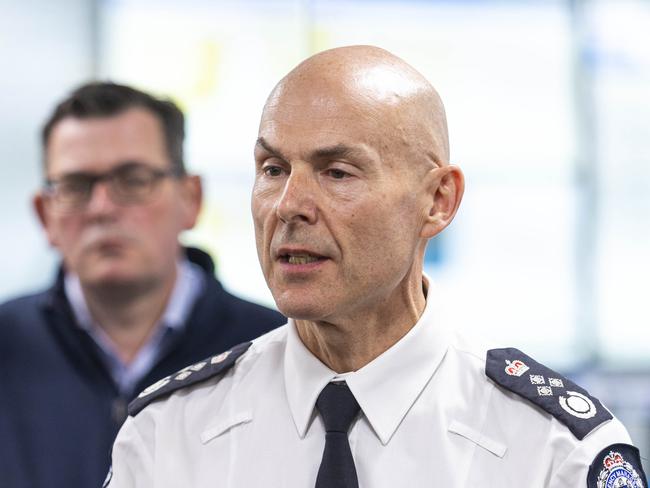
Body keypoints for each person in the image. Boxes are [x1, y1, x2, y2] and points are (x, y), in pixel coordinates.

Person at [106, 47, 647, 487]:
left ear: (438, 200)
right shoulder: (165, 435)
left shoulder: (555, 455)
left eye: (337, 173)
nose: (288, 204)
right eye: (272, 168)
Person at [0, 82, 285, 488]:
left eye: (132, 180)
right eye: (76, 186)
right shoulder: (7, 347)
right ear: (45, 215)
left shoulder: (273, 350)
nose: (102, 208)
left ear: (191, 198)